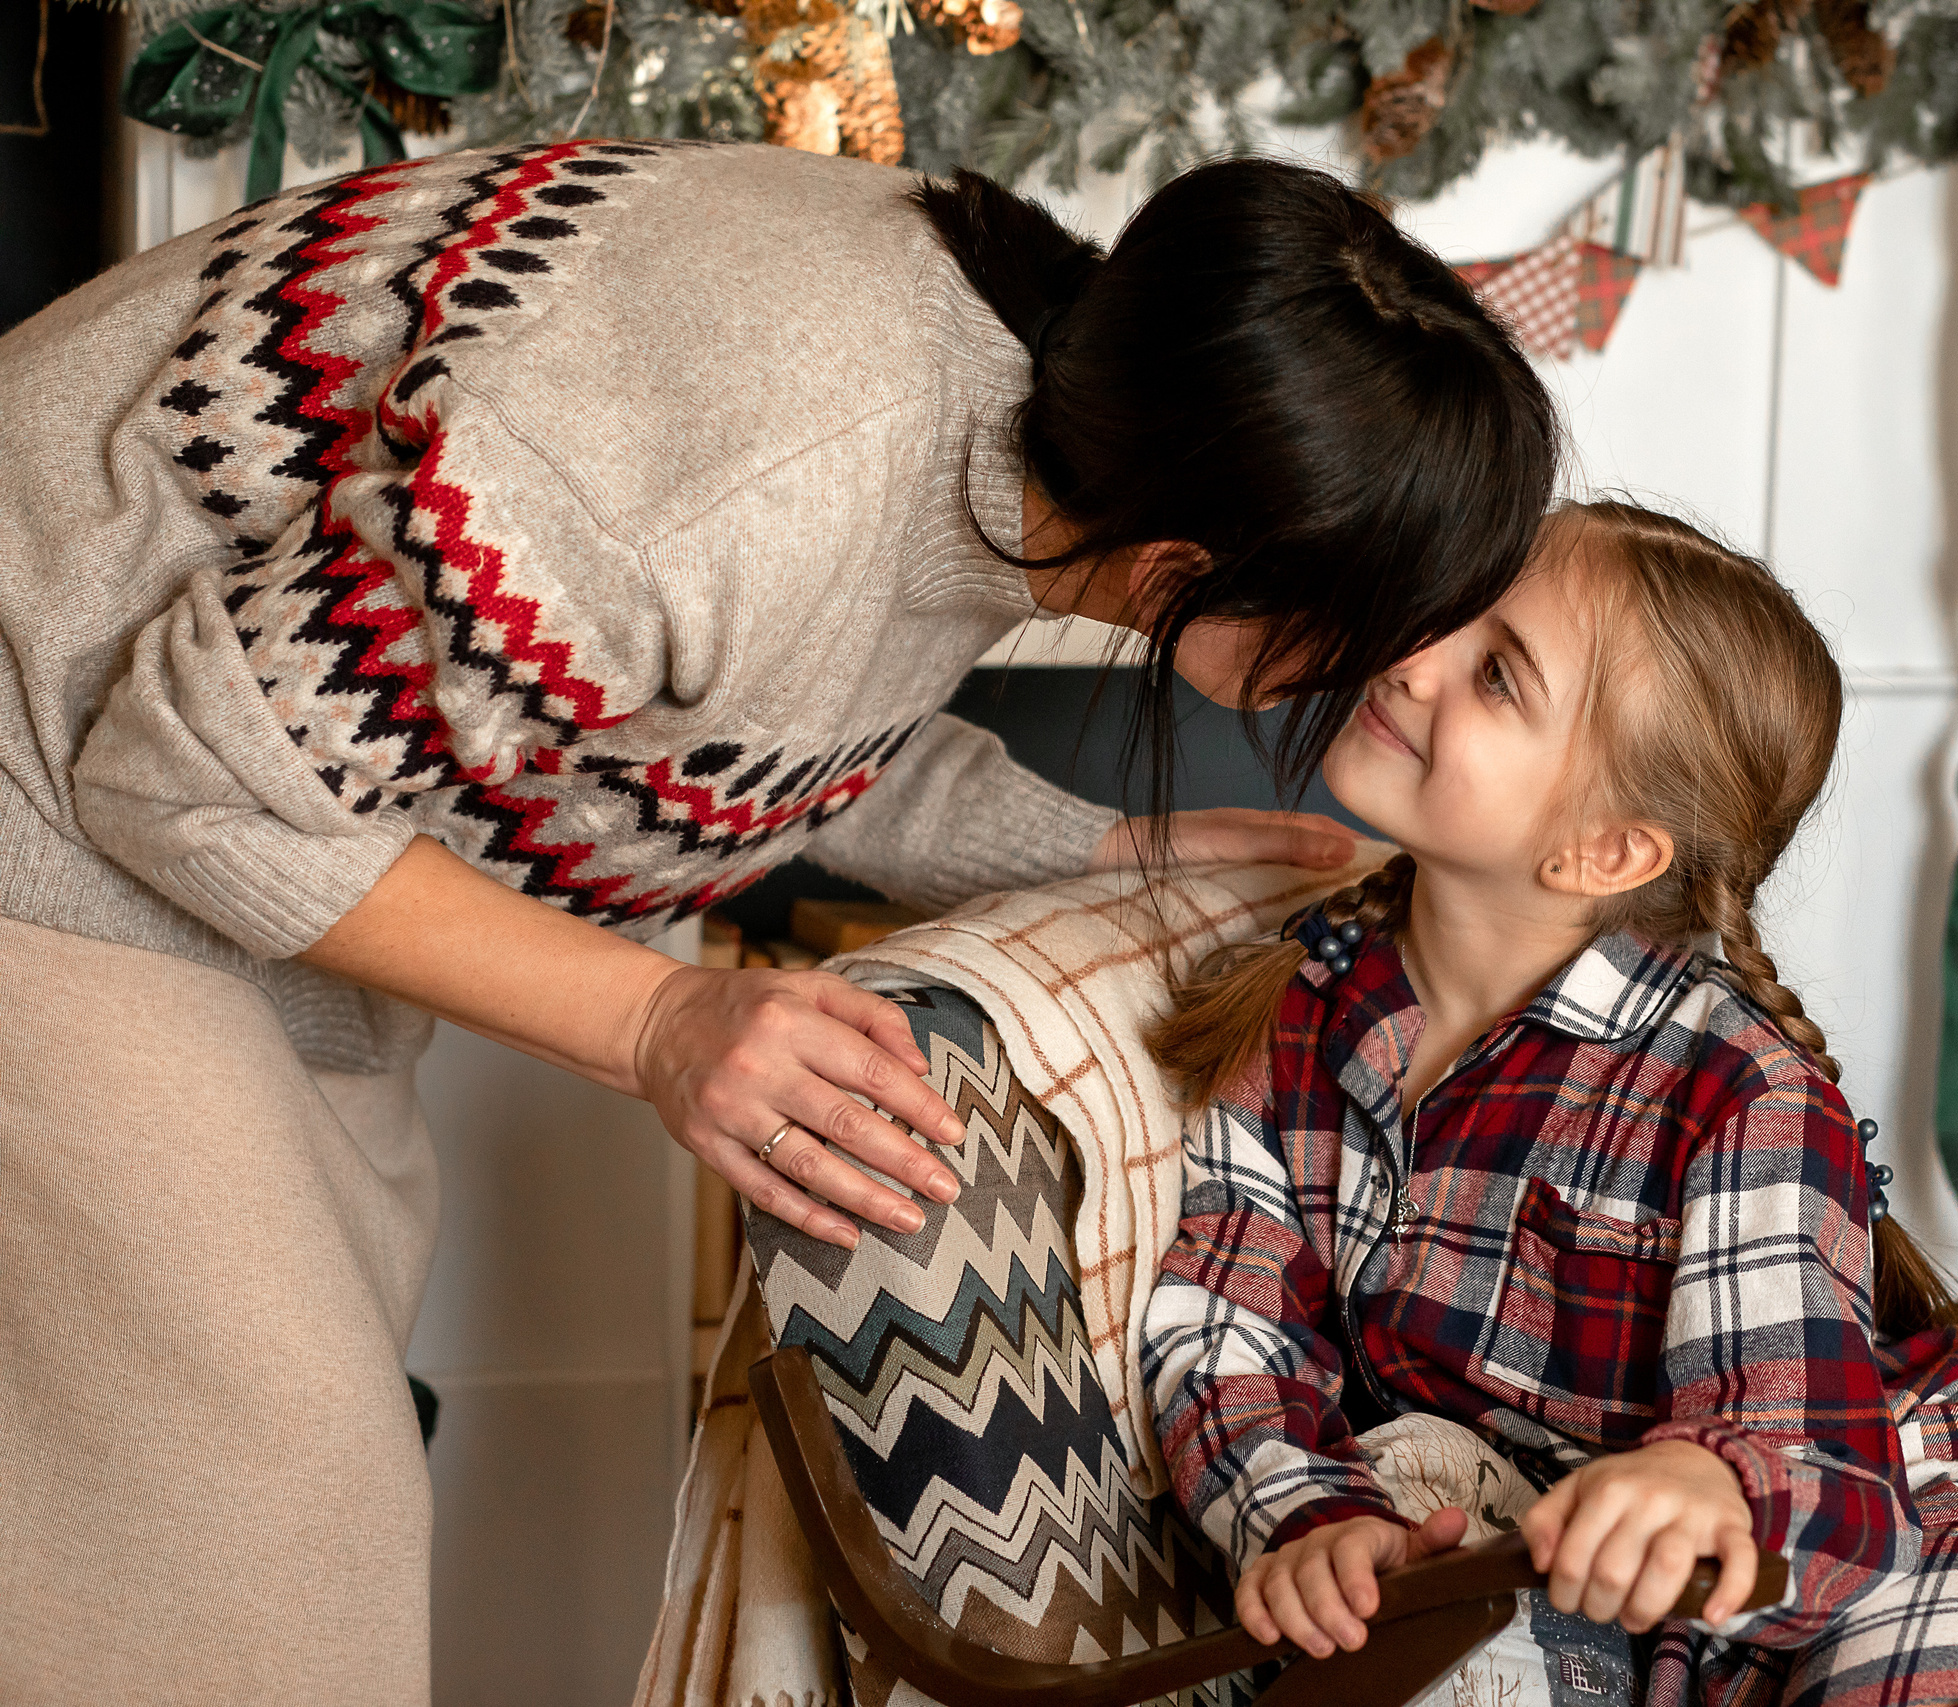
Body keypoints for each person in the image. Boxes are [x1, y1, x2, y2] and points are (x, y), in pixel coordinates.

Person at [0, 142, 1555, 1704]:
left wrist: (1102, 841)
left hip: (262, 825)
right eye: (1377, 626)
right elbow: (184, 775)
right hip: (56, 783)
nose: (1389, 673)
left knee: (194, 1540)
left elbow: (752, 703)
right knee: (270, 1528)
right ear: (1186, 569)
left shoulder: (1029, 419)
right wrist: (659, 1020)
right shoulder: (776, 441)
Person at [1139, 503, 1958, 1705]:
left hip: (1928, 1512)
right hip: (1660, 1609)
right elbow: (1227, 1322)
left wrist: (1715, 1483)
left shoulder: (1733, 1086)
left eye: (1497, 674)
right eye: (1452, 614)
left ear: (1602, 853)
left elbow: (1800, 1448)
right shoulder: (1298, 1007)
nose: (1411, 653)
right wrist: (1305, 1520)